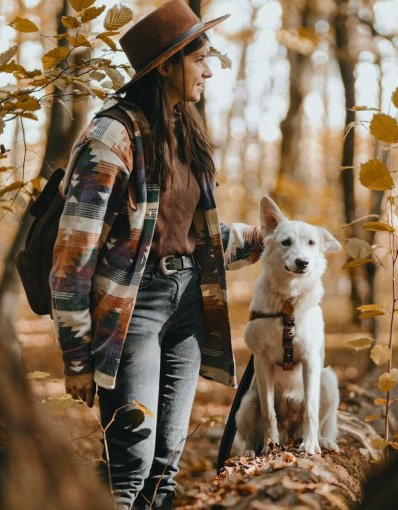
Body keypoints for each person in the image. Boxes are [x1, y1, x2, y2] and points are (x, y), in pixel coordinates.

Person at [49, 1, 262, 508]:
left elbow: (192, 238)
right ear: (165, 65)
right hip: (133, 312)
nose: (209, 69)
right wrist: (76, 356)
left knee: (166, 464)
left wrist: (273, 240)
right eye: (198, 59)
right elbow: (72, 255)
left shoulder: (186, 130)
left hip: (189, 304)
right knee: (130, 466)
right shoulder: (112, 137)